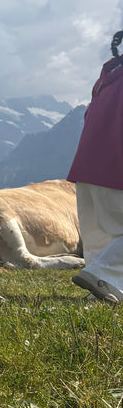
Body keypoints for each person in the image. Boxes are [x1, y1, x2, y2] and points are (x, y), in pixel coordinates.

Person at [67, 31, 123, 303]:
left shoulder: (110, 76)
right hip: (116, 170)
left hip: (88, 172)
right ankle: (103, 276)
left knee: (103, 236)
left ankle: (100, 288)